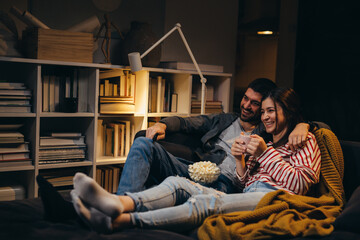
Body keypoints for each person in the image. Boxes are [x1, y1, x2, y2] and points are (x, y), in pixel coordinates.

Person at [70, 87, 321, 233]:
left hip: (273, 198)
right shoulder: (235, 125)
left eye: (268, 110)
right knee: (175, 183)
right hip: (240, 190)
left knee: (205, 202)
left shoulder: (303, 140)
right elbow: (245, 184)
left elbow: (298, 186)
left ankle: (121, 221)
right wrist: (242, 161)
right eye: (262, 109)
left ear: (288, 112)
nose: (265, 116)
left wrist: (268, 150)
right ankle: (119, 201)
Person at [117, 78, 311, 195]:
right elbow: (189, 122)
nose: (245, 105)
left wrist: (304, 125)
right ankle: (123, 202)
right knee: (143, 143)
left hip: (224, 183)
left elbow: (299, 121)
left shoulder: (268, 133)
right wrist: (162, 124)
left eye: (254, 103)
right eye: (245, 98)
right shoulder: (224, 120)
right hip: (195, 169)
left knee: (176, 188)